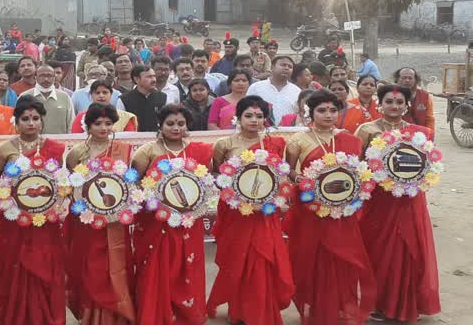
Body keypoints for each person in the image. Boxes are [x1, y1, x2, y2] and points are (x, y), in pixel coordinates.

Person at [285, 90, 376, 325]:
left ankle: (341, 307)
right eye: (322, 110)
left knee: (343, 257)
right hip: (312, 210)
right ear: (310, 112)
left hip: (343, 211)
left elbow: (358, 173)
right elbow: (289, 171)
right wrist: (305, 181)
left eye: (333, 110)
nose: (328, 115)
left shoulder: (350, 139)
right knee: (314, 258)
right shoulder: (298, 140)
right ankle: (317, 306)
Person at [355, 85, 440, 323]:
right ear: (379, 104)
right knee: (379, 253)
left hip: (410, 201)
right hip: (379, 202)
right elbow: (357, 165)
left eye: (400, 102)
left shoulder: (420, 133)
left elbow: (428, 165)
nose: (394, 106)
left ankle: (407, 304)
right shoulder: (366, 130)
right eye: (389, 102)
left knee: (410, 250)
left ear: (407, 105)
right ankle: (379, 304)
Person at [208, 96, 294, 324]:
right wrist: (235, 190)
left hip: (265, 213)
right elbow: (216, 174)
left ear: (265, 119)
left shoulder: (275, 144)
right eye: (249, 115)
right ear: (238, 117)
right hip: (237, 213)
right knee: (238, 259)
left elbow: (281, 176)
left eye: (259, 116)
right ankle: (240, 311)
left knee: (263, 258)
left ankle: (262, 310)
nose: (254, 120)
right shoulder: (225, 144)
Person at [131, 105, 213, 324]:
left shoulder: (200, 150)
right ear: (160, 125)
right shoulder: (147, 151)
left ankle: (187, 313)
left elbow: (205, 182)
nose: (176, 128)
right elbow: (134, 182)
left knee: (188, 265)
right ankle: (155, 312)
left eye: (180, 124)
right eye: (170, 123)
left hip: (188, 220)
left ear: (187, 126)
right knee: (157, 265)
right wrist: (153, 199)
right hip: (155, 222)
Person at [0, 97, 66, 323]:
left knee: (45, 267)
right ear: (16, 121)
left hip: (45, 220)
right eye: (25, 119)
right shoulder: (5, 150)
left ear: (42, 121)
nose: (31, 123)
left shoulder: (53, 148)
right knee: (15, 268)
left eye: (35, 118)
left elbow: (59, 182)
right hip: (15, 221)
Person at [65, 103, 136, 324]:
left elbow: (130, 183)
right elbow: (72, 186)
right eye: (98, 123)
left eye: (108, 123)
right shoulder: (77, 153)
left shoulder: (124, 150)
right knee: (90, 265)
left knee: (115, 265)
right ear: (88, 126)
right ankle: (90, 314)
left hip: (115, 220)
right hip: (86, 221)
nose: (104, 128)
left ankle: (117, 314)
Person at [19, 64, 75, 134]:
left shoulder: (64, 97)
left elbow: (71, 124)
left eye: (49, 76)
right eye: (42, 76)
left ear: (54, 78)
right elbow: (17, 123)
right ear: (35, 77)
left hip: (59, 142)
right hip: (32, 142)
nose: (46, 79)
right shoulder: (24, 96)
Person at [247, 56, 301, 126]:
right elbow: (247, 110)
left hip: (289, 132)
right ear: (272, 67)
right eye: (283, 65)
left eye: (290, 67)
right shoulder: (256, 87)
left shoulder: (297, 91)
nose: (286, 68)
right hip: (261, 131)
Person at [71, 80, 138, 133]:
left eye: (105, 92)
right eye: (97, 93)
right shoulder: (82, 117)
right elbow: (75, 139)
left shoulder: (125, 117)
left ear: (111, 94)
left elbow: (129, 140)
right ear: (91, 95)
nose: (101, 96)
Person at [116, 65, 167, 132]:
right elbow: (120, 125)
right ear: (136, 79)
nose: (154, 80)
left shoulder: (162, 97)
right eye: (149, 77)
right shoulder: (124, 100)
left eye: (154, 76)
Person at [394, 67, 435, 132]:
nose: (407, 80)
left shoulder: (425, 96)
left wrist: (430, 134)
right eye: (404, 78)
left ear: (415, 80)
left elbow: (429, 119)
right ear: (397, 79)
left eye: (410, 78)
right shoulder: (389, 95)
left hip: (420, 137)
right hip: (395, 136)